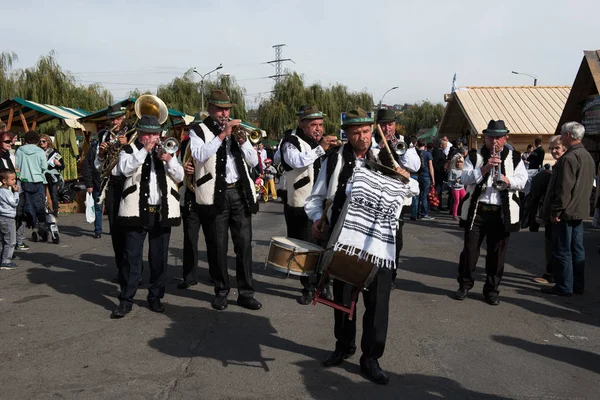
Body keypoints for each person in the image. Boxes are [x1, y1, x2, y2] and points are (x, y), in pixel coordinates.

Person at [305, 108, 419, 385]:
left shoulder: (386, 157)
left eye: (367, 131)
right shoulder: (334, 160)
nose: (363, 137)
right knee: (342, 300)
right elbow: (316, 197)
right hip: (344, 241)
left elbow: (412, 191)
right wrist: (318, 217)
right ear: (346, 134)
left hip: (380, 245)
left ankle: (371, 358)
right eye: (356, 132)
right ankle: (343, 346)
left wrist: (404, 178)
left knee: (378, 302)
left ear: (373, 131)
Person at [189, 89, 262, 311]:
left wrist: (243, 141)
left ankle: (246, 293)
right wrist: (221, 136)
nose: (224, 113)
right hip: (215, 195)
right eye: (220, 109)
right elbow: (200, 155)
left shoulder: (238, 132)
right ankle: (221, 291)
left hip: (239, 193)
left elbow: (252, 162)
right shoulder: (198, 130)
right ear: (210, 109)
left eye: (227, 109)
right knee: (218, 246)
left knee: (244, 246)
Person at [110, 114, 184, 318]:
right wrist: (145, 150)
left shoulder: (168, 150)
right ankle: (126, 300)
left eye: (155, 133)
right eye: (148, 134)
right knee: (131, 258)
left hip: (161, 212)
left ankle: (155, 297)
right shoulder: (129, 150)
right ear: (140, 134)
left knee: (159, 259)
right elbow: (123, 170)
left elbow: (180, 176)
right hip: (135, 213)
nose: (152, 137)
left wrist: (169, 160)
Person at [454, 120, 528, 305]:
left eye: (498, 138)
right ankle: (464, 285)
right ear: (485, 138)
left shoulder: (515, 157)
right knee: (470, 251)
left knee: (497, 255)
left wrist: (506, 180)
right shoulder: (474, 156)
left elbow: (523, 181)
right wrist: (486, 167)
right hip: (478, 211)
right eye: (491, 137)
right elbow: (464, 178)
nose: (494, 141)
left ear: (505, 138)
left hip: (500, 213)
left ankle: (492, 290)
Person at [280, 105, 338, 304]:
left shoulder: (323, 144)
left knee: (325, 245)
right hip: (300, 203)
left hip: (323, 204)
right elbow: (296, 161)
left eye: (321, 125)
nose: (318, 129)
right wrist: (321, 148)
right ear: (302, 124)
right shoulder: (291, 142)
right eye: (314, 125)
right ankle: (309, 288)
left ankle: (325, 285)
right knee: (305, 247)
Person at [540, 122, 595, 297]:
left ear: (569, 136)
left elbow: (564, 189)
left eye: (563, 134)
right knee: (577, 249)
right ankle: (577, 285)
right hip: (580, 209)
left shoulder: (569, 158)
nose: (562, 137)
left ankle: (564, 286)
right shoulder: (586, 156)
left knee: (563, 248)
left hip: (567, 211)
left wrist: (556, 211)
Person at [374, 108, 420, 287]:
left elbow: (415, 166)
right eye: (384, 125)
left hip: (398, 199)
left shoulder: (404, 142)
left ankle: (390, 276)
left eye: (390, 124)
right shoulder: (370, 142)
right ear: (378, 126)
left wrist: (398, 149)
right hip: (377, 196)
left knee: (396, 241)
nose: (387, 128)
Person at [177, 116, 212, 290]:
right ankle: (189, 276)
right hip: (191, 195)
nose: (195, 131)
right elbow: (177, 165)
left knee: (213, 238)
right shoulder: (184, 145)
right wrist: (184, 168)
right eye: (194, 128)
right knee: (190, 239)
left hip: (209, 195)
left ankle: (216, 273)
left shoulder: (213, 144)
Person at [526, 136, 566, 284]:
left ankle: (553, 275)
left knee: (556, 245)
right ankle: (552, 273)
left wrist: (556, 211)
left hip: (558, 213)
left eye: (557, 148)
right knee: (552, 244)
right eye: (552, 148)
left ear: (565, 148)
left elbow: (563, 191)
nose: (554, 151)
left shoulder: (564, 165)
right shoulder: (557, 166)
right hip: (552, 211)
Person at [96, 105, 129, 279]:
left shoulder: (132, 133)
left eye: (117, 118)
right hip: (112, 184)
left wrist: (127, 145)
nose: (114, 122)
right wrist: (101, 154)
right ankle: (121, 270)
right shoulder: (103, 135)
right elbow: (98, 164)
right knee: (115, 229)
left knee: (130, 229)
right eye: (111, 119)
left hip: (130, 183)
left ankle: (133, 270)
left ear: (124, 116)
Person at [15, 131, 48, 237]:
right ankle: (42, 225)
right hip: (38, 181)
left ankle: (33, 225)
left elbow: (17, 167)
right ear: (37, 140)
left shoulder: (19, 150)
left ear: (26, 140)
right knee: (40, 205)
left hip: (25, 181)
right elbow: (44, 167)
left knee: (28, 205)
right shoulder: (40, 151)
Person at [82, 138, 103, 238]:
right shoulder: (93, 149)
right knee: (98, 207)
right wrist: (89, 184)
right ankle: (98, 231)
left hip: (110, 182)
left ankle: (114, 229)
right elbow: (87, 167)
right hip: (97, 182)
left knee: (113, 208)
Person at [38, 135, 63, 216]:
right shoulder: (38, 152)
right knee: (41, 195)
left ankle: (55, 212)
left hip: (52, 176)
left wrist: (58, 164)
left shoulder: (55, 152)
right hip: (41, 175)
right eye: (40, 141)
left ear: (48, 142)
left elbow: (63, 166)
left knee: (54, 195)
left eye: (43, 141)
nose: (41, 143)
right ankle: (43, 212)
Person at [0, 169, 19, 270]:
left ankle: (2, 258)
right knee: (10, 241)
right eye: (12, 179)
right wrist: (16, 193)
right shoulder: (6, 192)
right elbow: (14, 202)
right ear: (4, 181)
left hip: (2, 217)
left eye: (15, 179)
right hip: (8, 218)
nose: (14, 181)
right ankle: (6, 261)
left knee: (2, 240)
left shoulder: (1, 191)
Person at [411, 139, 435, 220]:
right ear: (425, 145)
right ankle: (424, 214)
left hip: (418, 175)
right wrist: (433, 179)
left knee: (417, 195)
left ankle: (416, 213)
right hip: (426, 176)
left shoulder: (416, 153)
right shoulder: (428, 154)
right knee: (424, 196)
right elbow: (431, 167)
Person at [448, 154, 466, 221]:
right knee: (457, 201)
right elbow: (449, 179)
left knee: (465, 200)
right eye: (458, 162)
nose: (459, 164)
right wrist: (455, 180)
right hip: (455, 188)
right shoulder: (452, 170)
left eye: (460, 162)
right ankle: (454, 215)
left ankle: (464, 213)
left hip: (462, 187)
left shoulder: (463, 171)